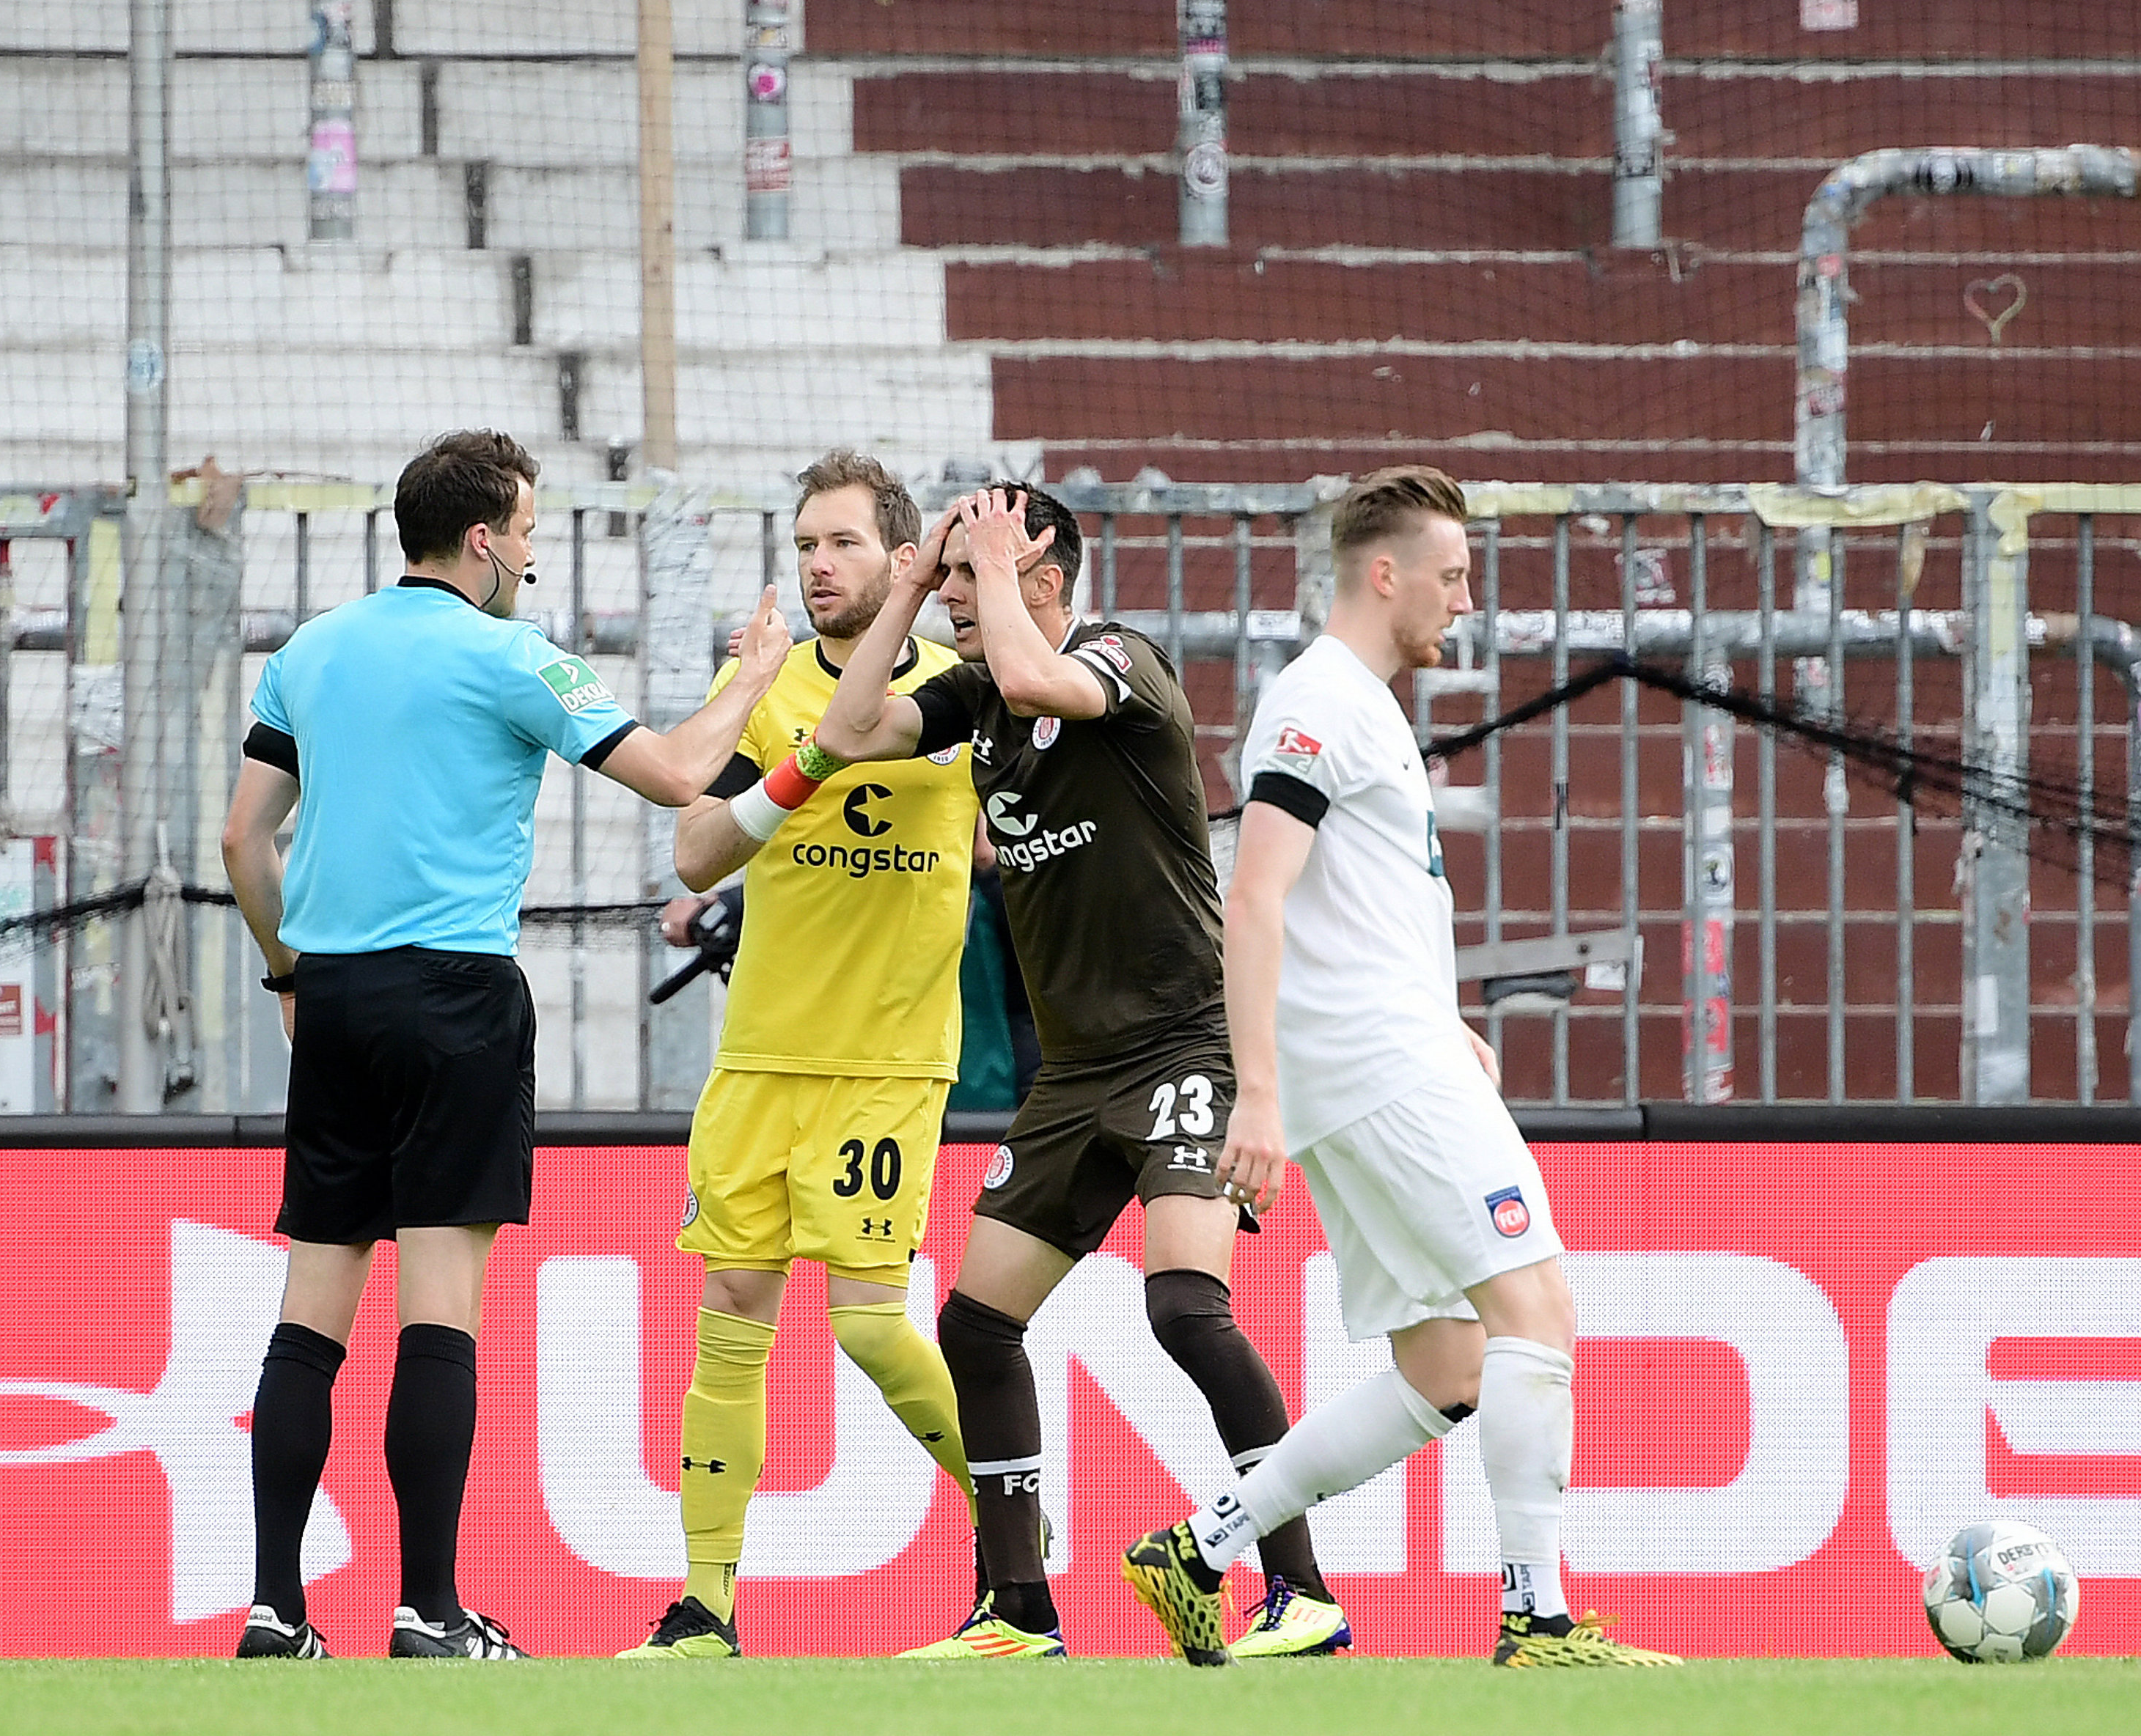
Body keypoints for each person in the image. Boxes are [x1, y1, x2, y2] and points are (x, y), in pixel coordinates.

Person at [220, 429, 790, 1660]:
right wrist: (752, 678)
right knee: (440, 1314)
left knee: (308, 1318)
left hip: (336, 1002)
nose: (532, 556)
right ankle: (428, 1610)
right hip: (457, 1000)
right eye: (528, 532)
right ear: (483, 540)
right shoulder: (512, 656)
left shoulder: (310, 653)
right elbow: (684, 775)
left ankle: (274, 1609)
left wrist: (286, 976)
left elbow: (242, 842)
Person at [1116, 466, 1679, 1668]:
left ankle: (1202, 1550)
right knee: (1535, 1303)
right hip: (1372, 1065)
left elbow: (1350, 900)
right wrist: (1255, 1096)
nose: (1465, 601)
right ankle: (1537, 1619)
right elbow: (1253, 897)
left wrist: (1443, 1012)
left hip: (1387, 1050)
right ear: (1387, 574)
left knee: (1450, 1361)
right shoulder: (1319, 699)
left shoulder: (1358, 702)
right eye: (1454, 574)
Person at [815, 485, 1346, 1660]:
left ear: (1040, 570)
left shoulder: (1119, 658)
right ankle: (1018, 1614)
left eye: (970, 575)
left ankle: (1300, 1591)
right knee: (975, 1326)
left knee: (1182, 1309)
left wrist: (993, 577)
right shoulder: (974, 697)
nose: (953, 596)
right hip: (1073, 1075)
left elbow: (1048, 681)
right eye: (950, 580)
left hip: (1182, 1043)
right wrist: (906, 585)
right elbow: (851, 731)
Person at [617, 449, 983, 1658]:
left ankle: (1018, 1553)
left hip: (886, 1061)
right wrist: (797, 759)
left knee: (872, 1326)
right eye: (805, 548)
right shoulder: (764, 688)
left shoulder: (965, 692)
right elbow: (696, 853)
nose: (820, 567)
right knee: (730, 1312)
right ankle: (705, 1607)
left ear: (902, 557)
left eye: (842, 544)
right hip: (764, 1056)